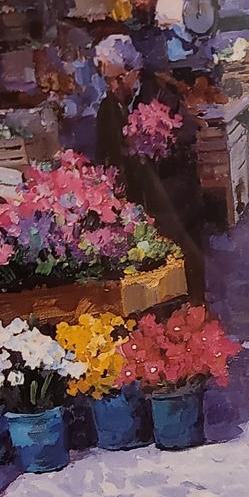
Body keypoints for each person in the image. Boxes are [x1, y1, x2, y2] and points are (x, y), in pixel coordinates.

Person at [94, 34, 206, 301]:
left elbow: (188, 135)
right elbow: (105, 153)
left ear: (134, 72)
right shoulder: (108, 108)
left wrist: (161, 144)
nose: (112, 86)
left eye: (118, 78)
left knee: (186, 263)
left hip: (173, 197)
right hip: (138, 202)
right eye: (107, 80)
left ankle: (195, 309)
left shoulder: (162, 95)